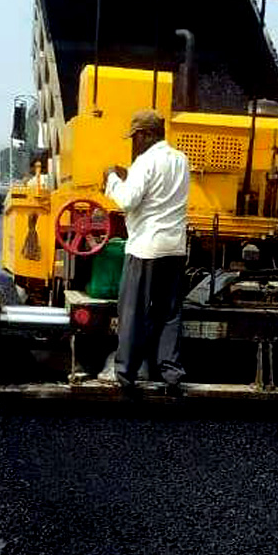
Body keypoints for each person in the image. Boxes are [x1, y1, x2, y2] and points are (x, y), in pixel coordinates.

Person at [103, 109, 191, 394]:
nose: (134, 143)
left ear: (145, 135)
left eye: (135, 137)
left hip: (145, 248)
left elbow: (127, 201)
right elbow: (161, 195)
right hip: (175, 248)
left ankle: (126, 373)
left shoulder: (145, 161)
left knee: (133, 311)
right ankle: (171, 372)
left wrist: (112, 179)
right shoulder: (181, 160)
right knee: (169, 313)